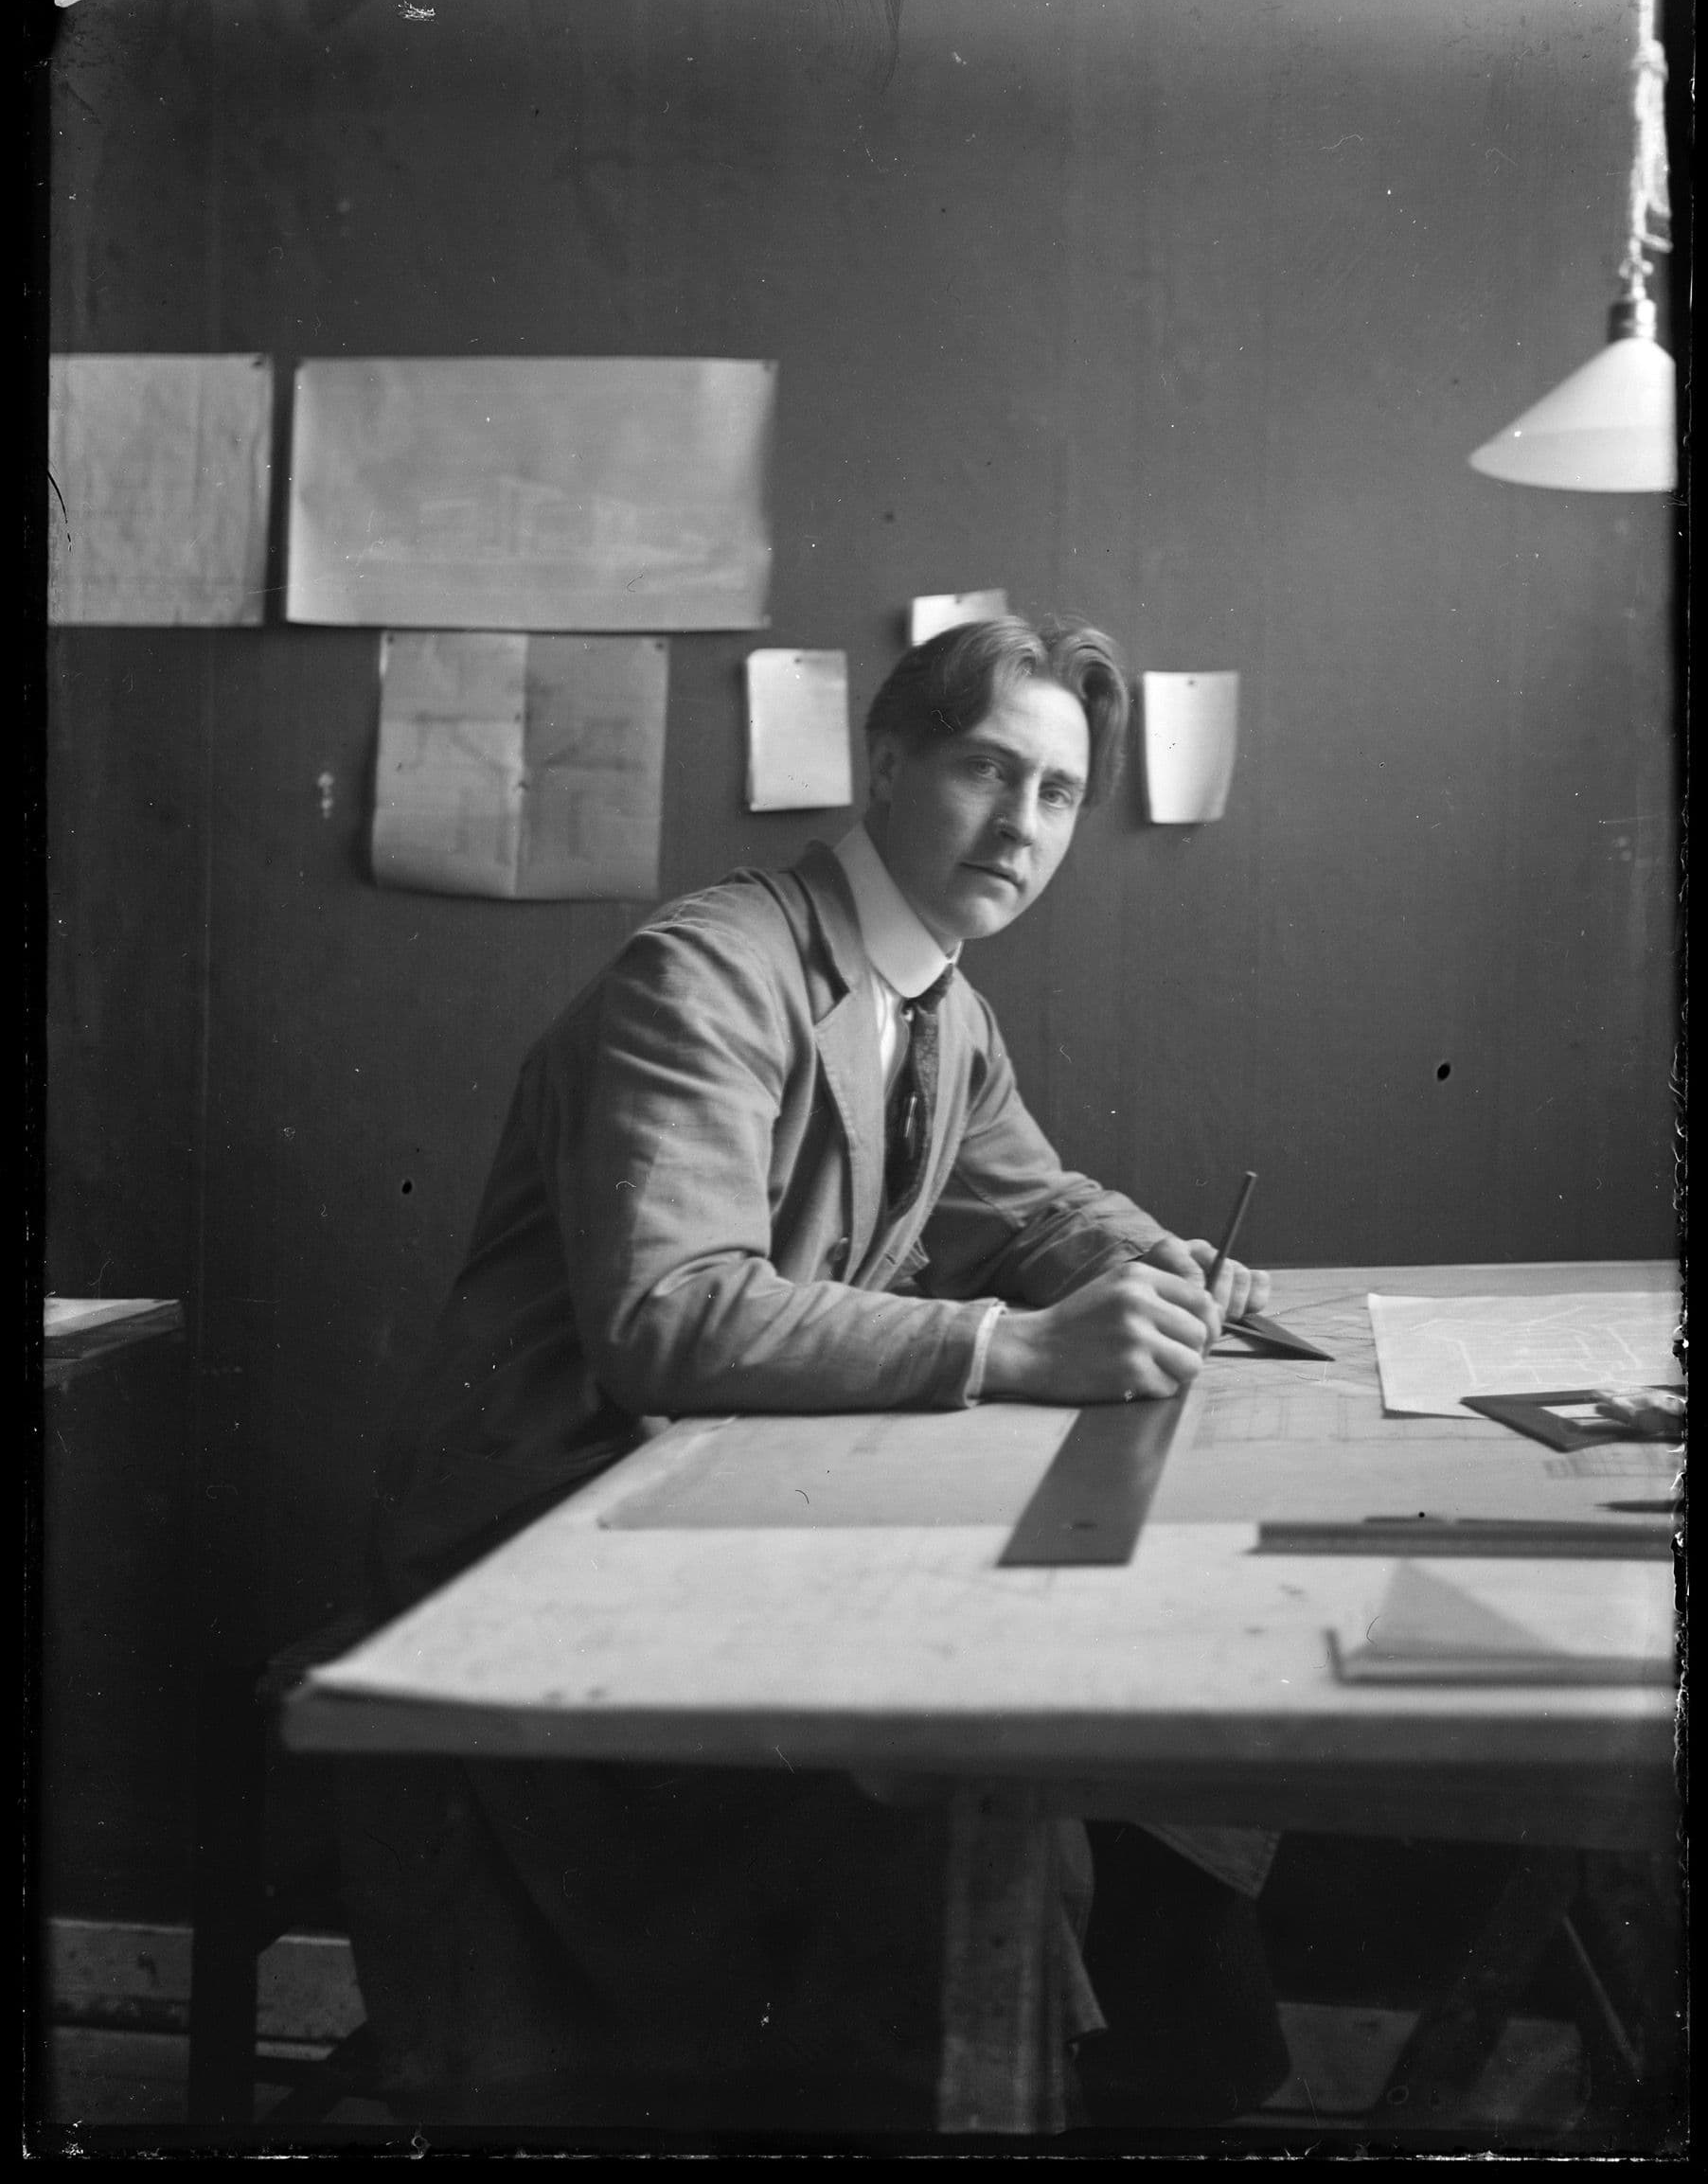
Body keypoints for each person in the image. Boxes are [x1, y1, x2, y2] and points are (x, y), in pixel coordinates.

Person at [339, 614, 1290, 2133]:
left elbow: (1030, 1206)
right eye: (989, 769)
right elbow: (671, 1314)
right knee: (980, 1801)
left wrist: (1157, 1259)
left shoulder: (942, 1007)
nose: (1023, 825)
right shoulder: (708, 973)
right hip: (547, 1548)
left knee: (1132, 1740)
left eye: (1057, 793)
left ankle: (1116, 2087)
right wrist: (1015, 1344)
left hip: (726, 1509)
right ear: (888, 762)